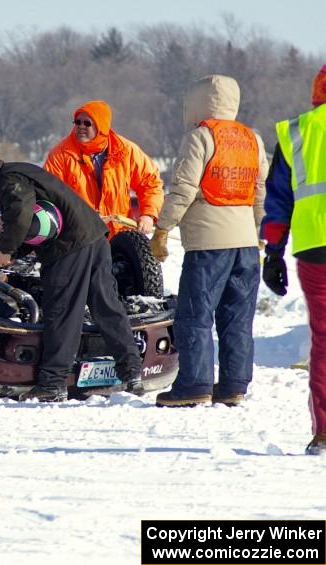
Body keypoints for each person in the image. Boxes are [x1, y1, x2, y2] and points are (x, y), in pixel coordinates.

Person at [0, 151, 144, 401]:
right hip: (94, 237)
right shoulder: (21, 167)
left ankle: (53, 383)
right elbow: (39, 222)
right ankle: (132, 371)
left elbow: (21, 214)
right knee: (106, 306)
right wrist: (20, 251)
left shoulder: (7, 180)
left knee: (62, 311)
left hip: (69, 246)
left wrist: (6, 249)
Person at [149, 74, 268, 408]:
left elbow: (184, 188)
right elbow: (260, 192)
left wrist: (162, 229)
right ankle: (233, 385)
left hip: (208, 244)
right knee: (237, 319)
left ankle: (194, 385)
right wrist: (260, 231)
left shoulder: (200, 137)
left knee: (195, 315)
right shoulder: (253, 139)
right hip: (246, 244)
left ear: (198, 101)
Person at [260, 65, 326, 454]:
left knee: (323, 340)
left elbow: (278, 201)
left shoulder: (297, 132)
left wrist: (273, 252)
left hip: (315, 249)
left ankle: (324, 434)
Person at [43, 100, 164, 237]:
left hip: (119, 235)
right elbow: (49, 194)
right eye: (77, 122)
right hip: (79, 236)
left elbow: (151, 183)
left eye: (87, 123)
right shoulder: (60, 154)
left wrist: (148, 215)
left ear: (101, 126)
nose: (81, 126)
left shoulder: (127, 151)